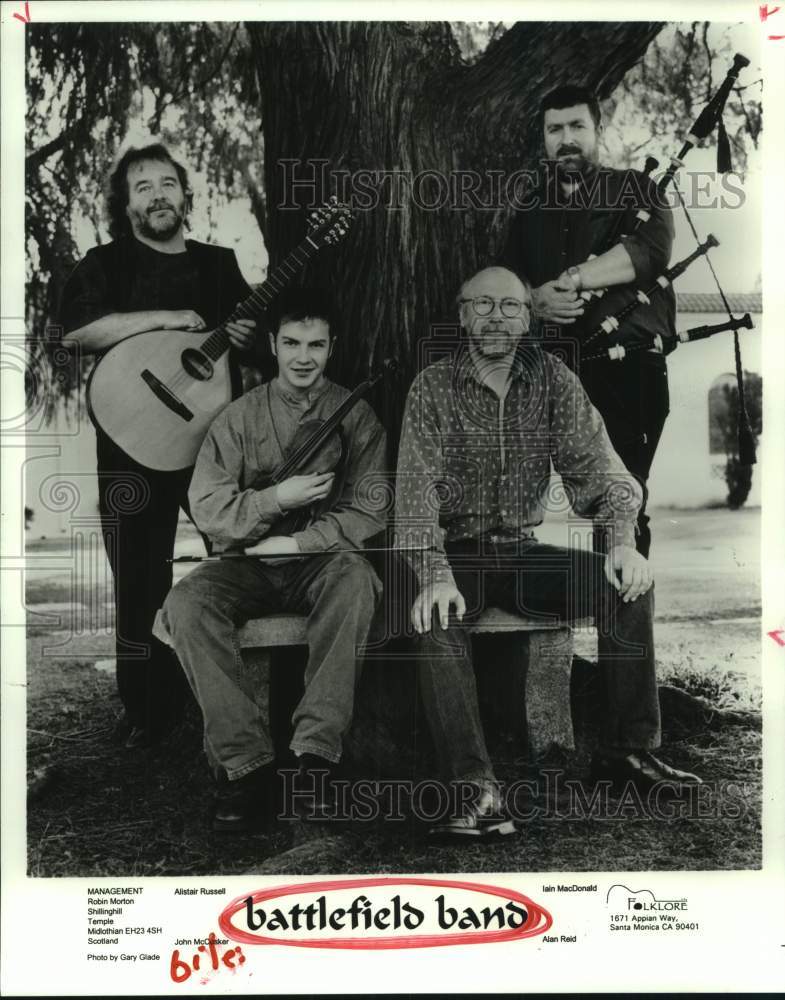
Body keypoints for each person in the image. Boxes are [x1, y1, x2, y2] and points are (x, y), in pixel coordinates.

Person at [394, 265, 700, 839]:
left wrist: (622, 543)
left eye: (510, 306)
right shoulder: (431, 388)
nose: (495, 317)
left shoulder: (553, 380)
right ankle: (474, 791)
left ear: (528, 319)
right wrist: (435, 575)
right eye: (481, 304)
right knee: (434, 619)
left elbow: (603, 470)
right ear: (461, 315)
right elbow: (413, 499)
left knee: (629, 587)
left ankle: (625, 754)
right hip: (458, 556)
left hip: (524, 551)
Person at [161, 287, 386, 832]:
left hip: (321, 561)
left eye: (316, 344)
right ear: (272, 345)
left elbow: (371, 507)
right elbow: (210, 508)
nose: (303, 357)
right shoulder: (237, 418)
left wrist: (302, 541)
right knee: (186, 604)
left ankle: (314, 759)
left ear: (332, 348)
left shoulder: (356, 416)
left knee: (357, 581)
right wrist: (275, 502)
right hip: (245, 564)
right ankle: (246, 768)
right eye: (291, 343)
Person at [60, 143, 257, 746]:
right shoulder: (106, 263)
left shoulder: (219, 264)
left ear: (185, 195)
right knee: (140, 578)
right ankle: (150, 712)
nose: (157, 195)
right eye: (142, 187)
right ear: (126, 205)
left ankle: (240, 694)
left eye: (167, 183)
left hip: (210, 446)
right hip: (130, 445)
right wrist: (167, 318)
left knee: (241, 559)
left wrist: (249, 336)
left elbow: (258, 349)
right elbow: (76, 333)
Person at [501, 84, 675, 557]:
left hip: (627, 371)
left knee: (623, 507)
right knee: (507, 505)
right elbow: (506, 283)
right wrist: (535, 301)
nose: (566, 139)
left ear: (598, 129)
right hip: (553, 374)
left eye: (577, 126)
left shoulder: (636, 189)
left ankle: (622, 630)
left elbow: (650, 251)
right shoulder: (531, 208)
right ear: (544, 138)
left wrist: (573, 278)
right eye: (555, 129)